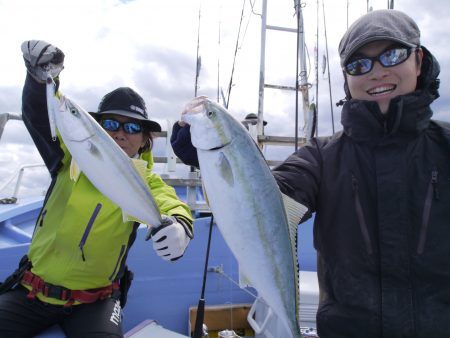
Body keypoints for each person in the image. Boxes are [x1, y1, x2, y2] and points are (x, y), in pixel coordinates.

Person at [170, 9, 450, 338]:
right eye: (359, 64)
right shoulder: (322, 157)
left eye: (392, 55)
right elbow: (266, 199)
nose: (376, 72)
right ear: (346, 77)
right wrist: (211, 154)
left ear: (418, 61)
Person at [0, 40, 194, 338]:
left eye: (132, 127)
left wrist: (180, 226)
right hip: (31, 293)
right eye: (111, 124)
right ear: (97, 128)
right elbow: (40, 115)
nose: (120, 133)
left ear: (144, 139)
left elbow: (171, 203)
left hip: (96, 302)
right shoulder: (68, 158)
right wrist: (40, 77)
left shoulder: (148, 182)